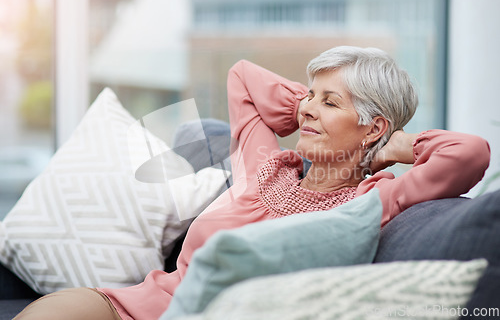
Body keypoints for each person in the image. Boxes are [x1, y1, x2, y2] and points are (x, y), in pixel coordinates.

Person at [14, 46, 490, 320]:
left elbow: (469, 154)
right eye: (309, 95)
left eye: (330, 102)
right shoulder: (266, 163)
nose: (306, 109)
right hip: (131, 306)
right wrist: (312, 101)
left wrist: (391, 146)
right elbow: (243, 77)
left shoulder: (373, 199)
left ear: (373, 126)